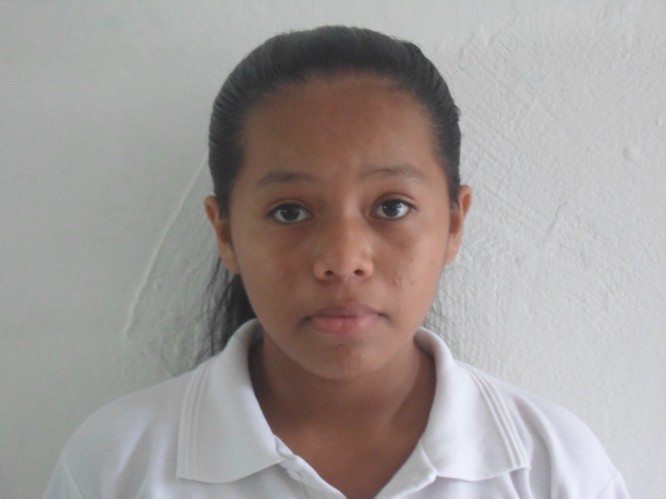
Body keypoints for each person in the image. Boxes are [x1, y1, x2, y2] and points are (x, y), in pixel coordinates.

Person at [44, 26, 629, 498]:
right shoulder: (118, 465)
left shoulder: (554, 467)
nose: (344, 261)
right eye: (290, 212)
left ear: (454, 224)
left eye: (392, 207)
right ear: (226, 234)